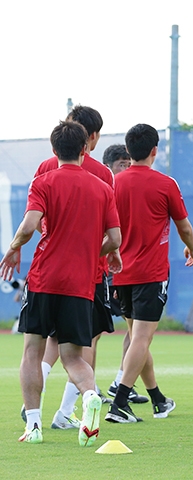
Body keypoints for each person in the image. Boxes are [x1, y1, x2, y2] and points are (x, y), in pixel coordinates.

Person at [0, 120, 121, 445]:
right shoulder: (103, 188)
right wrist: (94, 253)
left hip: (44, 279)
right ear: (85, 149)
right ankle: (90, 395)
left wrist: (13, 250)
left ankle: (34, 425)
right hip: (81, 283)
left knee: (32, 351)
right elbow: (115, 238)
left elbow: (28, 228)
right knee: (73, 357)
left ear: (54, 151)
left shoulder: (43, 181)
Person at [28, 105, 117, 432]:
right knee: (81, 346)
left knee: (39, 343)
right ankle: (69, 409)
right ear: (89, 139)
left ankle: (34, 414)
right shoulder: (103, 176)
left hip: (47, 271)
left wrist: (52, 240)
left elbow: (35, 221)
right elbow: (113, 234)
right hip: (88, 274)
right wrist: (93, 251)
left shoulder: (44, 169)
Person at [105, 124, 193, 423]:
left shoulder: (114, 184)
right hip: (151, 273)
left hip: (120, 273)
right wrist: (191, 248)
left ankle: (158, 399)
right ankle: (119, 403)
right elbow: (183, 225)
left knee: (136, 337)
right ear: (155, 151)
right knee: (141, 339)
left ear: (128, 151)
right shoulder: (165, 184)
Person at [101, 145, 148, 405]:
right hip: (106, 269)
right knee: (93, 331)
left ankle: (120, 382)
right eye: (121, 163)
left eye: (129, 162)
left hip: (128, 269)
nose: (127, 167)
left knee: (135, 329)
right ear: (108, 166)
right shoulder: (105, 189)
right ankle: (86, 389)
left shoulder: (131, 189)